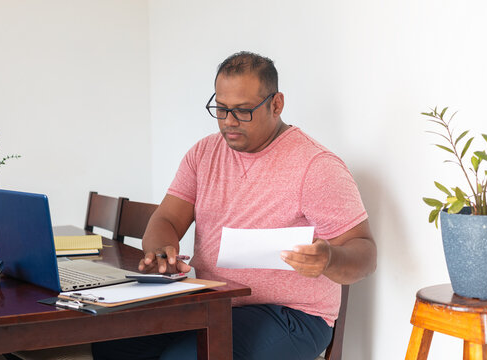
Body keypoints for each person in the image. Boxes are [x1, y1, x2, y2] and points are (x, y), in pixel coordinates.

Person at [92, 51, 376, 360]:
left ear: (276, 104)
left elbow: (365, 253)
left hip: (293, 316)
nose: (229, 121)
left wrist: (329, 258)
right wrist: (163, 253)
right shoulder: (203, 154)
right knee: (112, 339)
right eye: (222, 109)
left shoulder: (316, 166)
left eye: (243, 111)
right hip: (214, 304)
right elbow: (167, 220)